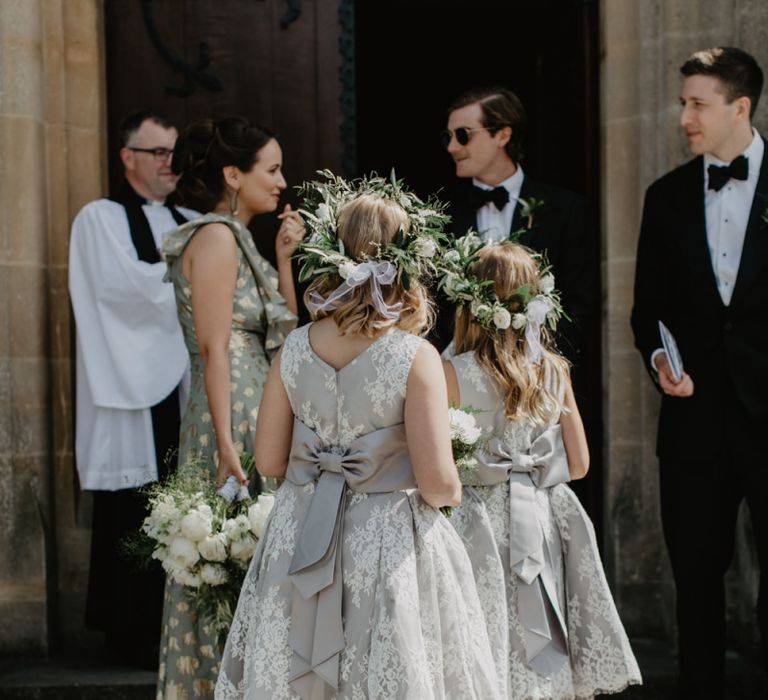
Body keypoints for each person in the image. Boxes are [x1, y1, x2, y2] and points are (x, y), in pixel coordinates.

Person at [215, 177, 502, 699]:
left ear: (332, 252)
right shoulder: (416, 357)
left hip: (302, 532)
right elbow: (438, 485)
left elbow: (270, 461)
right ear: (409, 261)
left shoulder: (293, 349)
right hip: (385, 537)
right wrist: (454, 490)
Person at [441, 237, 641, 698]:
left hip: (480, 521)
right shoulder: (554, 369)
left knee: (488, 630)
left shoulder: (453, 371)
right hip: (543, 514)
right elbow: (580, 463)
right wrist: (532, 467)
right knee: (541, 628)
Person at [631, 46, 768, 698]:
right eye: (683, 102)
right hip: (693, 425)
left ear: (739, 107)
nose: (683, 115)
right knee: (696, 583)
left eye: (697, 104)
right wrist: (660, 360)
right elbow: (645, 312)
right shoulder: (664, 198)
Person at [156, 116, 302, 698]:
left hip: (259, 401)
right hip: (232, 410)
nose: (282, 181)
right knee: (223, 562)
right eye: (271, 169)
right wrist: (223, 443)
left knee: (258, 564)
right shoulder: (214, 237)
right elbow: (216, 346)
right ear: (232, 175)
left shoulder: (244, 239)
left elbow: (287, 335)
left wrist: (285, 260)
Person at [68, 109, 196, 667]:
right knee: (132, 506)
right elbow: (123, 293)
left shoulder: (192, 218)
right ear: (128, 158)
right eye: (159, 153)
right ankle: (129, 632)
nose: (171, 164)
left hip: (184, 383)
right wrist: (191, 278)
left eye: (174, 153)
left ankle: (182, 629)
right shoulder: (98, 219)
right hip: (126, 379)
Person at [435, 86, 597, 364]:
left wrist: (537, 361)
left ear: (502, 135)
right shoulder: (443, 214)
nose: (452, 147)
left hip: (538, 372)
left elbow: (580, 305)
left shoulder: (566, 209)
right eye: (448, 137)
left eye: (463, 135)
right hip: (459, 374)